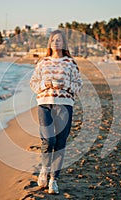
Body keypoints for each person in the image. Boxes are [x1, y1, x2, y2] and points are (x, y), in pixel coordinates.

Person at [30, 29, 83, 194]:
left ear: (64, 43)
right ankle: (44, 170)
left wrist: (65, 86)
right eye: (54, 40)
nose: (56, 43)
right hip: (45, 104)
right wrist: (45, 85)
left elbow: (78, 84)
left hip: (64, 105)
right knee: (48, 140)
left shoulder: (70, 63)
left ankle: (54, 180)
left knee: (60, 143)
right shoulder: (43, 62)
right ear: (50, 43)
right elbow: (33, 83)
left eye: (59, 40)